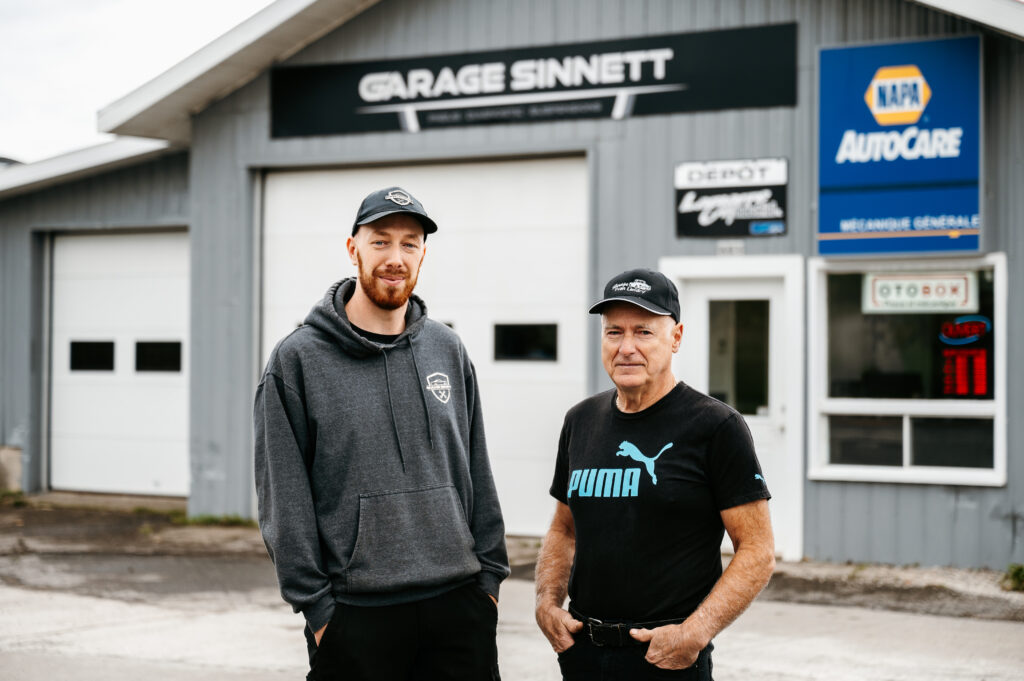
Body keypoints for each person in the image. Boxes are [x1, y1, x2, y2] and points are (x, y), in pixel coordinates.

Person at [254, 186, 509, 681]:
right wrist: (319, 612)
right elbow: (283, 497)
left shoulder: (447, 348)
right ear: (353, 249)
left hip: (459, 608)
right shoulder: (297, 360)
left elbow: (476, 465)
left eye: (409, 244)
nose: (396, 257)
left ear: (422, 255)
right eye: (381, 241)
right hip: (356, 616)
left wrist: (489, 582)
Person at [534, 267, 775, 680]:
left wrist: (694, 633)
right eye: (614, 332)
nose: (626, 347)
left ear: (676, 337)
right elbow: (564, 528)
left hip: (665, 658)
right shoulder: (581, 420)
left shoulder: (716, 427)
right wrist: (546, 603)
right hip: (582, 653)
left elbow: (757, 549)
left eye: (643, 332)